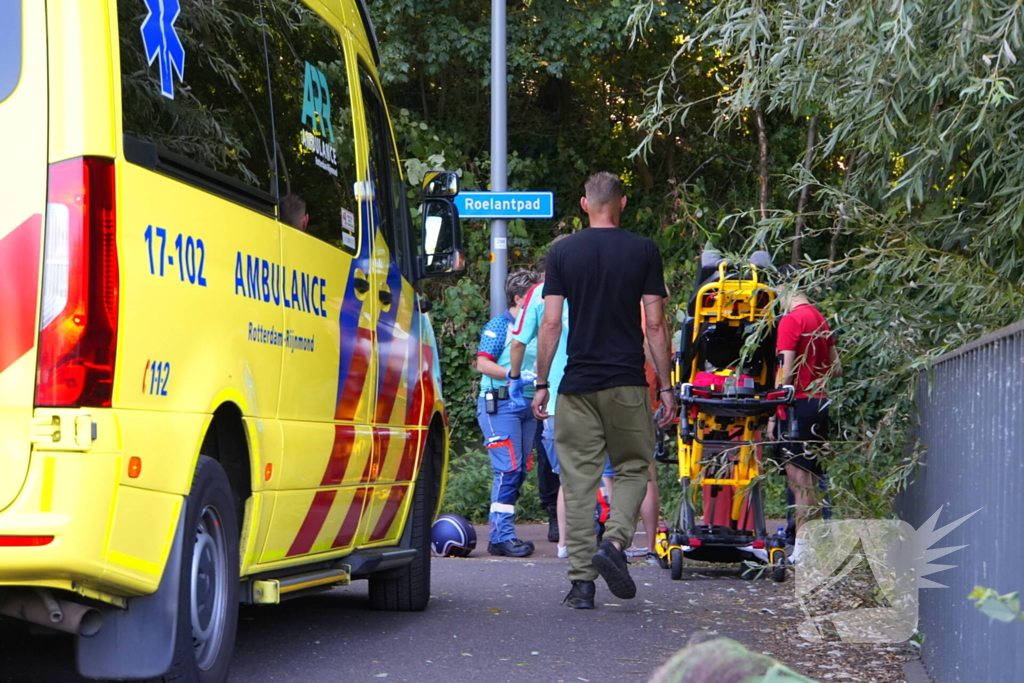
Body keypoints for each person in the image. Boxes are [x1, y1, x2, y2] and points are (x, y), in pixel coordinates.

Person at [532, 172, 676, 609]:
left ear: (583, 204)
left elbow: (551, 322)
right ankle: (614, 544)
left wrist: (541, 383)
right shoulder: (643, 250)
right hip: (627, 384)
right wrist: (666, 386)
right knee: (634, 468)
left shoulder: (562, 252)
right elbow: (653, 324)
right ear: (623, 203)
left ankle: (581, 585)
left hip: (575, 387)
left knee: (577, 482)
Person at [772, 265, 841, 563]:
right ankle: (810, 544)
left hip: (797, 404)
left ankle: (801, 547)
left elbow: (784, 373)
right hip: (820, 401)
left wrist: (774, 411)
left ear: (782, 289)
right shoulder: (820, 319)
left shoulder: (791, 320)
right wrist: (816, 373)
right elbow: (837, 368)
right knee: (811, 477)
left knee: (798, 478)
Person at [509, 242, 570, 556]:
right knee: (609, 470)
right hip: (605, 386)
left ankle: (564, 540)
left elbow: (520, 342)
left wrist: (517, 379)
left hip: (559, 392)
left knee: (563, 469)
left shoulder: (539, 294)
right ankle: (611, 536)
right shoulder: (594, 281)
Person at [476, 269, 543, 557]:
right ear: (518, 299)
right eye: (533, 298)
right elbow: (482, 363)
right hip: (501, 404)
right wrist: (512, 375)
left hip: (528, 406)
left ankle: (503, 533)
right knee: (508, 470)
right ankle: (501, 536)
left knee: (520, 471)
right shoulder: (500, 326)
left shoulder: (537, 326)